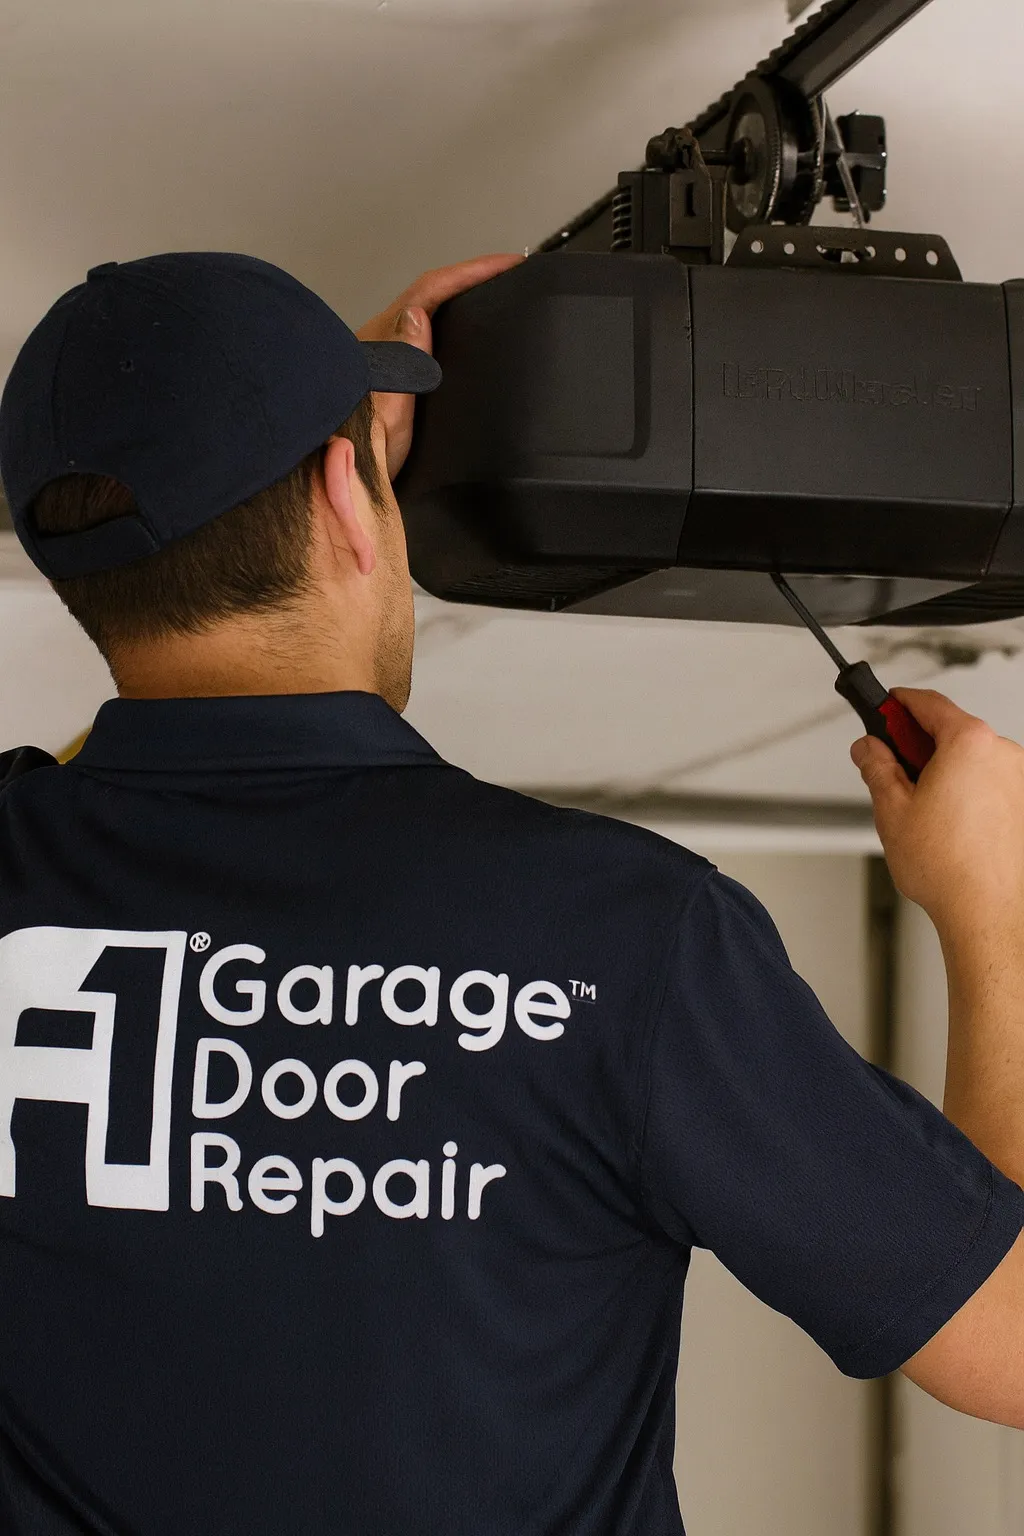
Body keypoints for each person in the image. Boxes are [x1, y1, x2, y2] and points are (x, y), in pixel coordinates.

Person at [0, 249, 1021, 1536]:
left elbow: (109, 783)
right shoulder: (630, 938)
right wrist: (997, 914)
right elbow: (1008, 1341)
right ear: (348, 493)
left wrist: (288, 442)